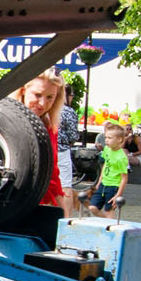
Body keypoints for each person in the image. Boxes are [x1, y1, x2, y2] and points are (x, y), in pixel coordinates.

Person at [14, 70, 67, 209]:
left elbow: (53, 174)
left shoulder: (49, 127)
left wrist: (63, 213)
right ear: (23, 90)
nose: (43, 103)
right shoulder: (0, 119)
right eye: (37, 95)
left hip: (37, 204)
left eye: (50, 97)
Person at [87, 121, 131, 217]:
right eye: (106, 137)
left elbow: (124, 178)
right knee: (92, 207)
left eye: (110, 138)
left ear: (119, 139)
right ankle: (105, 220)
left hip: (113, 186)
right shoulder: (107, 149)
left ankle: (109, 224)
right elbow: (105, 165)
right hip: (103, 184)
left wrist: (118, 194)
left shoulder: (121, 157)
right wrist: (99, 182)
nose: (106, 140)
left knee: (109, 211)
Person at [57, 85, 80, 215]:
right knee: (65, 185)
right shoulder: (68, 112)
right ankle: (66, 216)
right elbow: (73, 135)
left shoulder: (48, 109)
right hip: (62, 150)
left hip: (46, 150)